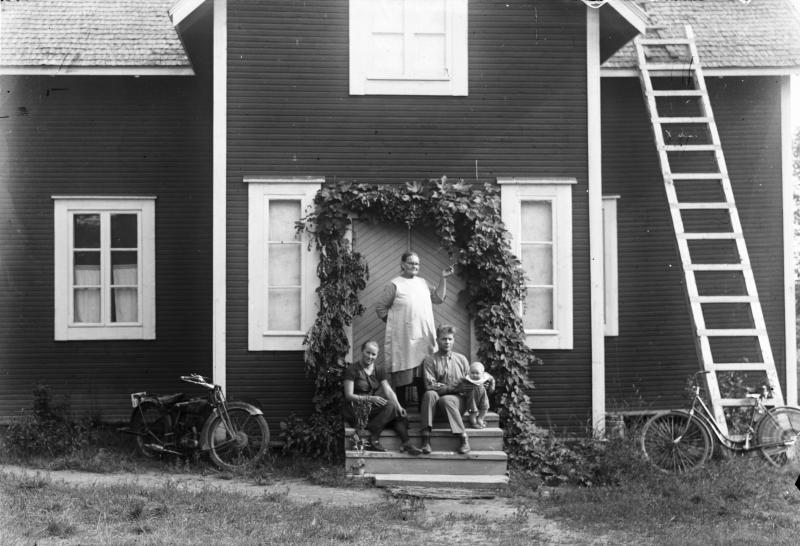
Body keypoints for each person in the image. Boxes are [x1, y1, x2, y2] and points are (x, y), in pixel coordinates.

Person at [375, 251, 454, 405]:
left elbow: (438, 298)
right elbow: (381, 308)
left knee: (423, 376)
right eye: (411, 263)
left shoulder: (423, 283)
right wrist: (395, 326)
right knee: (403, 375)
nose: (414, 266)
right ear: (403, 264)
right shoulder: (395, 284)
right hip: (404, 338)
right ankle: (401, 411)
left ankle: (424, 410)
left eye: (417, 263)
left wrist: (443, 278)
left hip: (423, 337)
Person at [342, 340, 422, 455]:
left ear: (377, 355)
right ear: (362, 351)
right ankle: (373, 438)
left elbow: (388, 390)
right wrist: (370, 399)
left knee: (397, 413)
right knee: (390, 406)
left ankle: (406, 443)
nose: (370, 356)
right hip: (356, 409)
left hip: (370, 409)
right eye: (368, 352)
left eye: (373, 354)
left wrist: (399, 407)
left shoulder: (378, 370)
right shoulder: (352, 369)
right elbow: (348, 395)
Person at [419, 324, 471, 454]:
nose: (447, 342)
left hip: (457, 404)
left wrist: (446, 388)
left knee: (446, 400)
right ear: (437, 340)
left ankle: (463, 438)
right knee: (429, 394)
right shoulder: (430, 360)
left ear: (453, 340)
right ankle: (426, 439)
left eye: (449, 339)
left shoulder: (462, 360)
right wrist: (455, 387)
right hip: (435, 406)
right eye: (443, 339)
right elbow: (430, 385)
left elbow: (468, 384)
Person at [457, 361, 495, 429]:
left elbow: (492, 379)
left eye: (477, 373)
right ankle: (474, 423)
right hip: (472, 399)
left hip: (483, 396)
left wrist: (492, 386)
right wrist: (461, 388)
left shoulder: (486, 377)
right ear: (469, 372)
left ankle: (480, 418)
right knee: (473, 412)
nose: (474, 375)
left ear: (482, 373)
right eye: (472, 373)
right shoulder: (467, 379)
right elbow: (460, 382)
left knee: (485, 408)